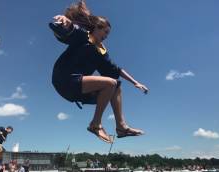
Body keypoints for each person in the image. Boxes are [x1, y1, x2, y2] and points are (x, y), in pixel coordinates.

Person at [49, 0, 149, 143]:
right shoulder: (82, 36)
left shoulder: (101, 51)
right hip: (64, 79)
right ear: (96, 28)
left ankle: (121, 127)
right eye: (105, 32)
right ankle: (95, 124)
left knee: (116, 87)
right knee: (110, 84)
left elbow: (116, 69)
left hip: (76, 87)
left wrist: (136, 83)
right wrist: (66, 23)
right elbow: (67, 32)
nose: (107, 36)